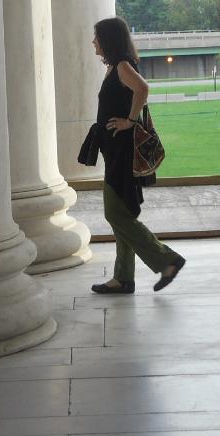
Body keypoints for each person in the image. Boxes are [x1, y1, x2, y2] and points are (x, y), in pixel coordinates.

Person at [77, 16, 185, 294]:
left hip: (122, 151)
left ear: (108, 40)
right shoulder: (116, 66)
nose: (93, 42)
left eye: (96, 37)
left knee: (115, 212)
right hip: (115, 150)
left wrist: (130, 120)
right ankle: (123, 277)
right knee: (121, 211)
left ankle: (166, 259)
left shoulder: (123, 66)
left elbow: (143, 89)